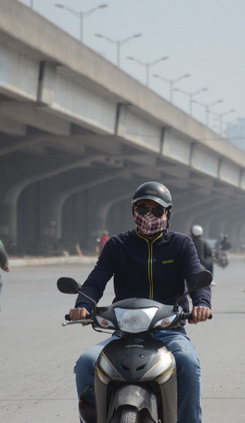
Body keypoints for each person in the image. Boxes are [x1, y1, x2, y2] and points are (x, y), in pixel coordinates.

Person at [68, 181, 212, 423]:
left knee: (187, 362)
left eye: (157, 210)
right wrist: (83, 305)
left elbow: (197, 276)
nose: (149, 215)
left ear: (168, 213)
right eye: (142, 208)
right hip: (123, 333)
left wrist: (202, 304)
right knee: (86, 362)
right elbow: (95, 281)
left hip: (169, 331)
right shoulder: (117, 245)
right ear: (133, 211)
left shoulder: (181, 245)